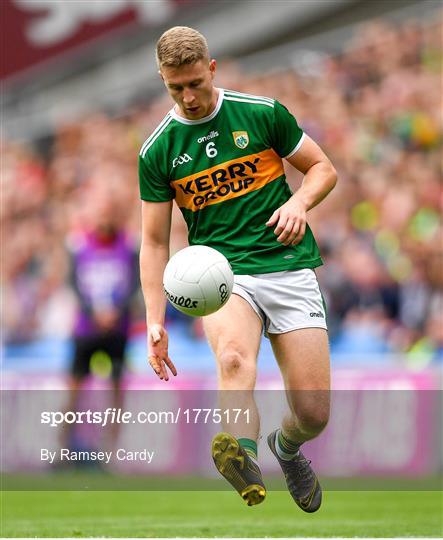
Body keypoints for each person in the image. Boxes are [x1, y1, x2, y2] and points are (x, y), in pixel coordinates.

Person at [139, 26, 337, 510]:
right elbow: (152, 240)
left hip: (288, 264)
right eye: (174, 88)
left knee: (313, 413)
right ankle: (243, 456)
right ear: (163, 81)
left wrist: (299, 204)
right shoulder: (158, 150)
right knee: (232, 360)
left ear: (212, 69)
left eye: (194, 84)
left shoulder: (262, 113)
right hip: (222, 277)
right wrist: (154, 319)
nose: (187, 97)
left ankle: (285, 448)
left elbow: (323, 169)